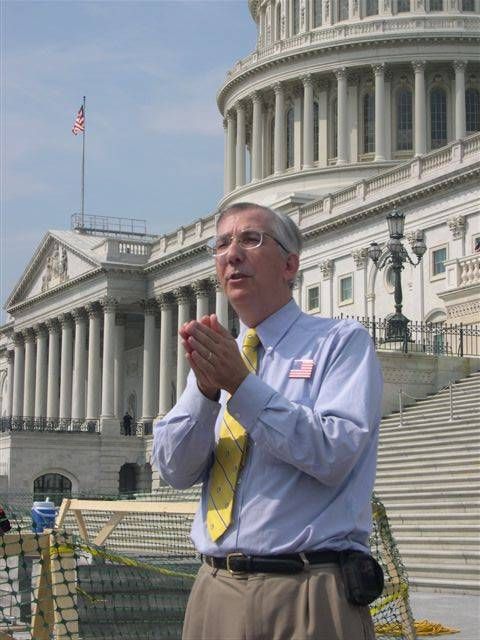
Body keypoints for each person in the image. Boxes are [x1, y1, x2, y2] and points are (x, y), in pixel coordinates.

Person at [151, 202, 383, 640]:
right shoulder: (219, 358)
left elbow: (334, 453)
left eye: (250, 239)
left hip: (309, 591)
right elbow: (174, 471)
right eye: (222, 244)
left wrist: (242, 386)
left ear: (290, 265)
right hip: (215, 589)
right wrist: (205, 393)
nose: (232, 254)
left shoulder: (339, 342)